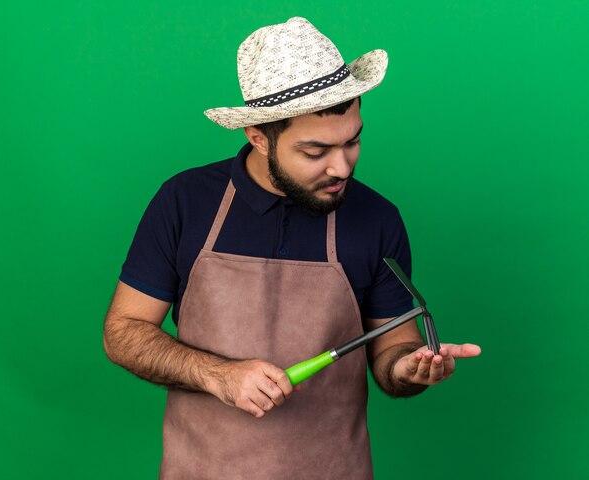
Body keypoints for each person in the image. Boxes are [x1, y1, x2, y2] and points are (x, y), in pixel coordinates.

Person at [103, 17, 481, 479]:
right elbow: (124, 331)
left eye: (353, 141)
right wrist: (218, 375)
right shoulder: (185, 202)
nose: (342, 167)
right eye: (315, 151)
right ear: (259, 137)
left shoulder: (377, 219)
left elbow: (393, 347)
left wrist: (407, 369)